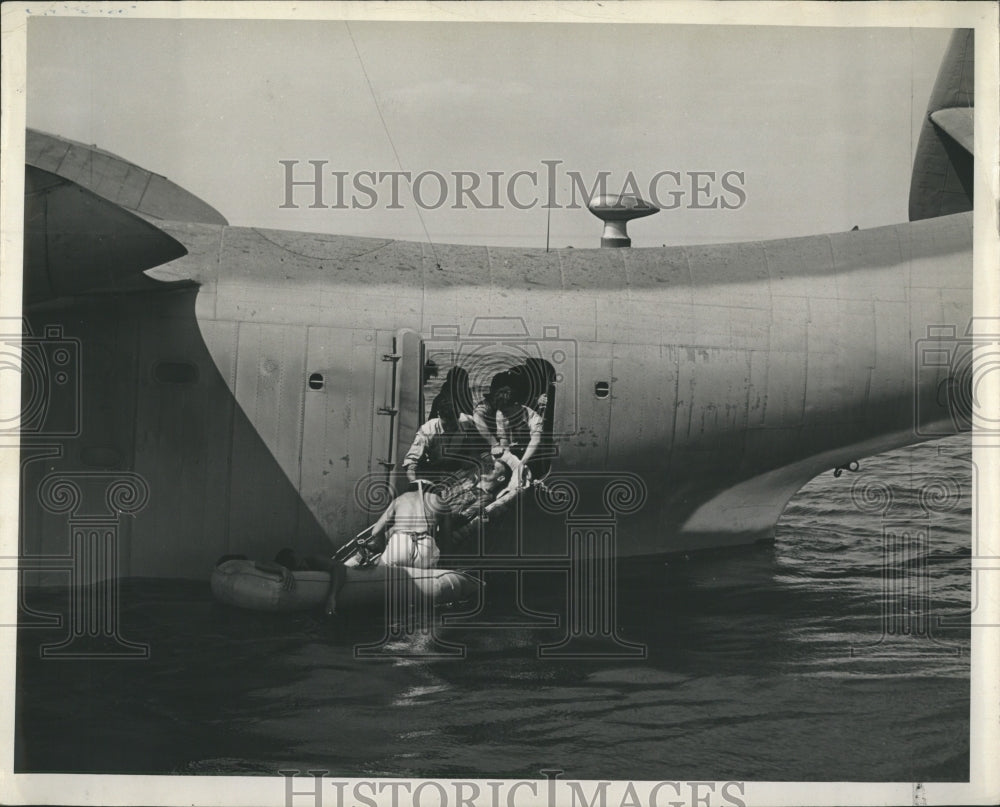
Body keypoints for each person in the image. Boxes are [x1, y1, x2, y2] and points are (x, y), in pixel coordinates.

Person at [365, 481, 452, 568]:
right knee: (426, 579)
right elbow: (447, 539)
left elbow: (375, 532)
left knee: (382, 574)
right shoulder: (442, 503)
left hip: (399, 544)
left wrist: (383, 548)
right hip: (425, 546)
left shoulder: (399, 499)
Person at [402, 397, 480, 485]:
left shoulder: (466, 421)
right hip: (434, 470)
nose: (450, 428)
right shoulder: (427, 430)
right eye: (446, 424)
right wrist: (415, 482)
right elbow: (411, 463)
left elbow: (478, 439)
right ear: (439, 416)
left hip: (457, 468)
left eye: (454, 424)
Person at [264, 549, 347, 617]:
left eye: (302, 562)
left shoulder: (313, 560)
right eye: (300, 568)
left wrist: (332, 596)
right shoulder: (289, 569)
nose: (304, 568)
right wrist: (282, 569)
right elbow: (259, 563)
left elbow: (339, 566)